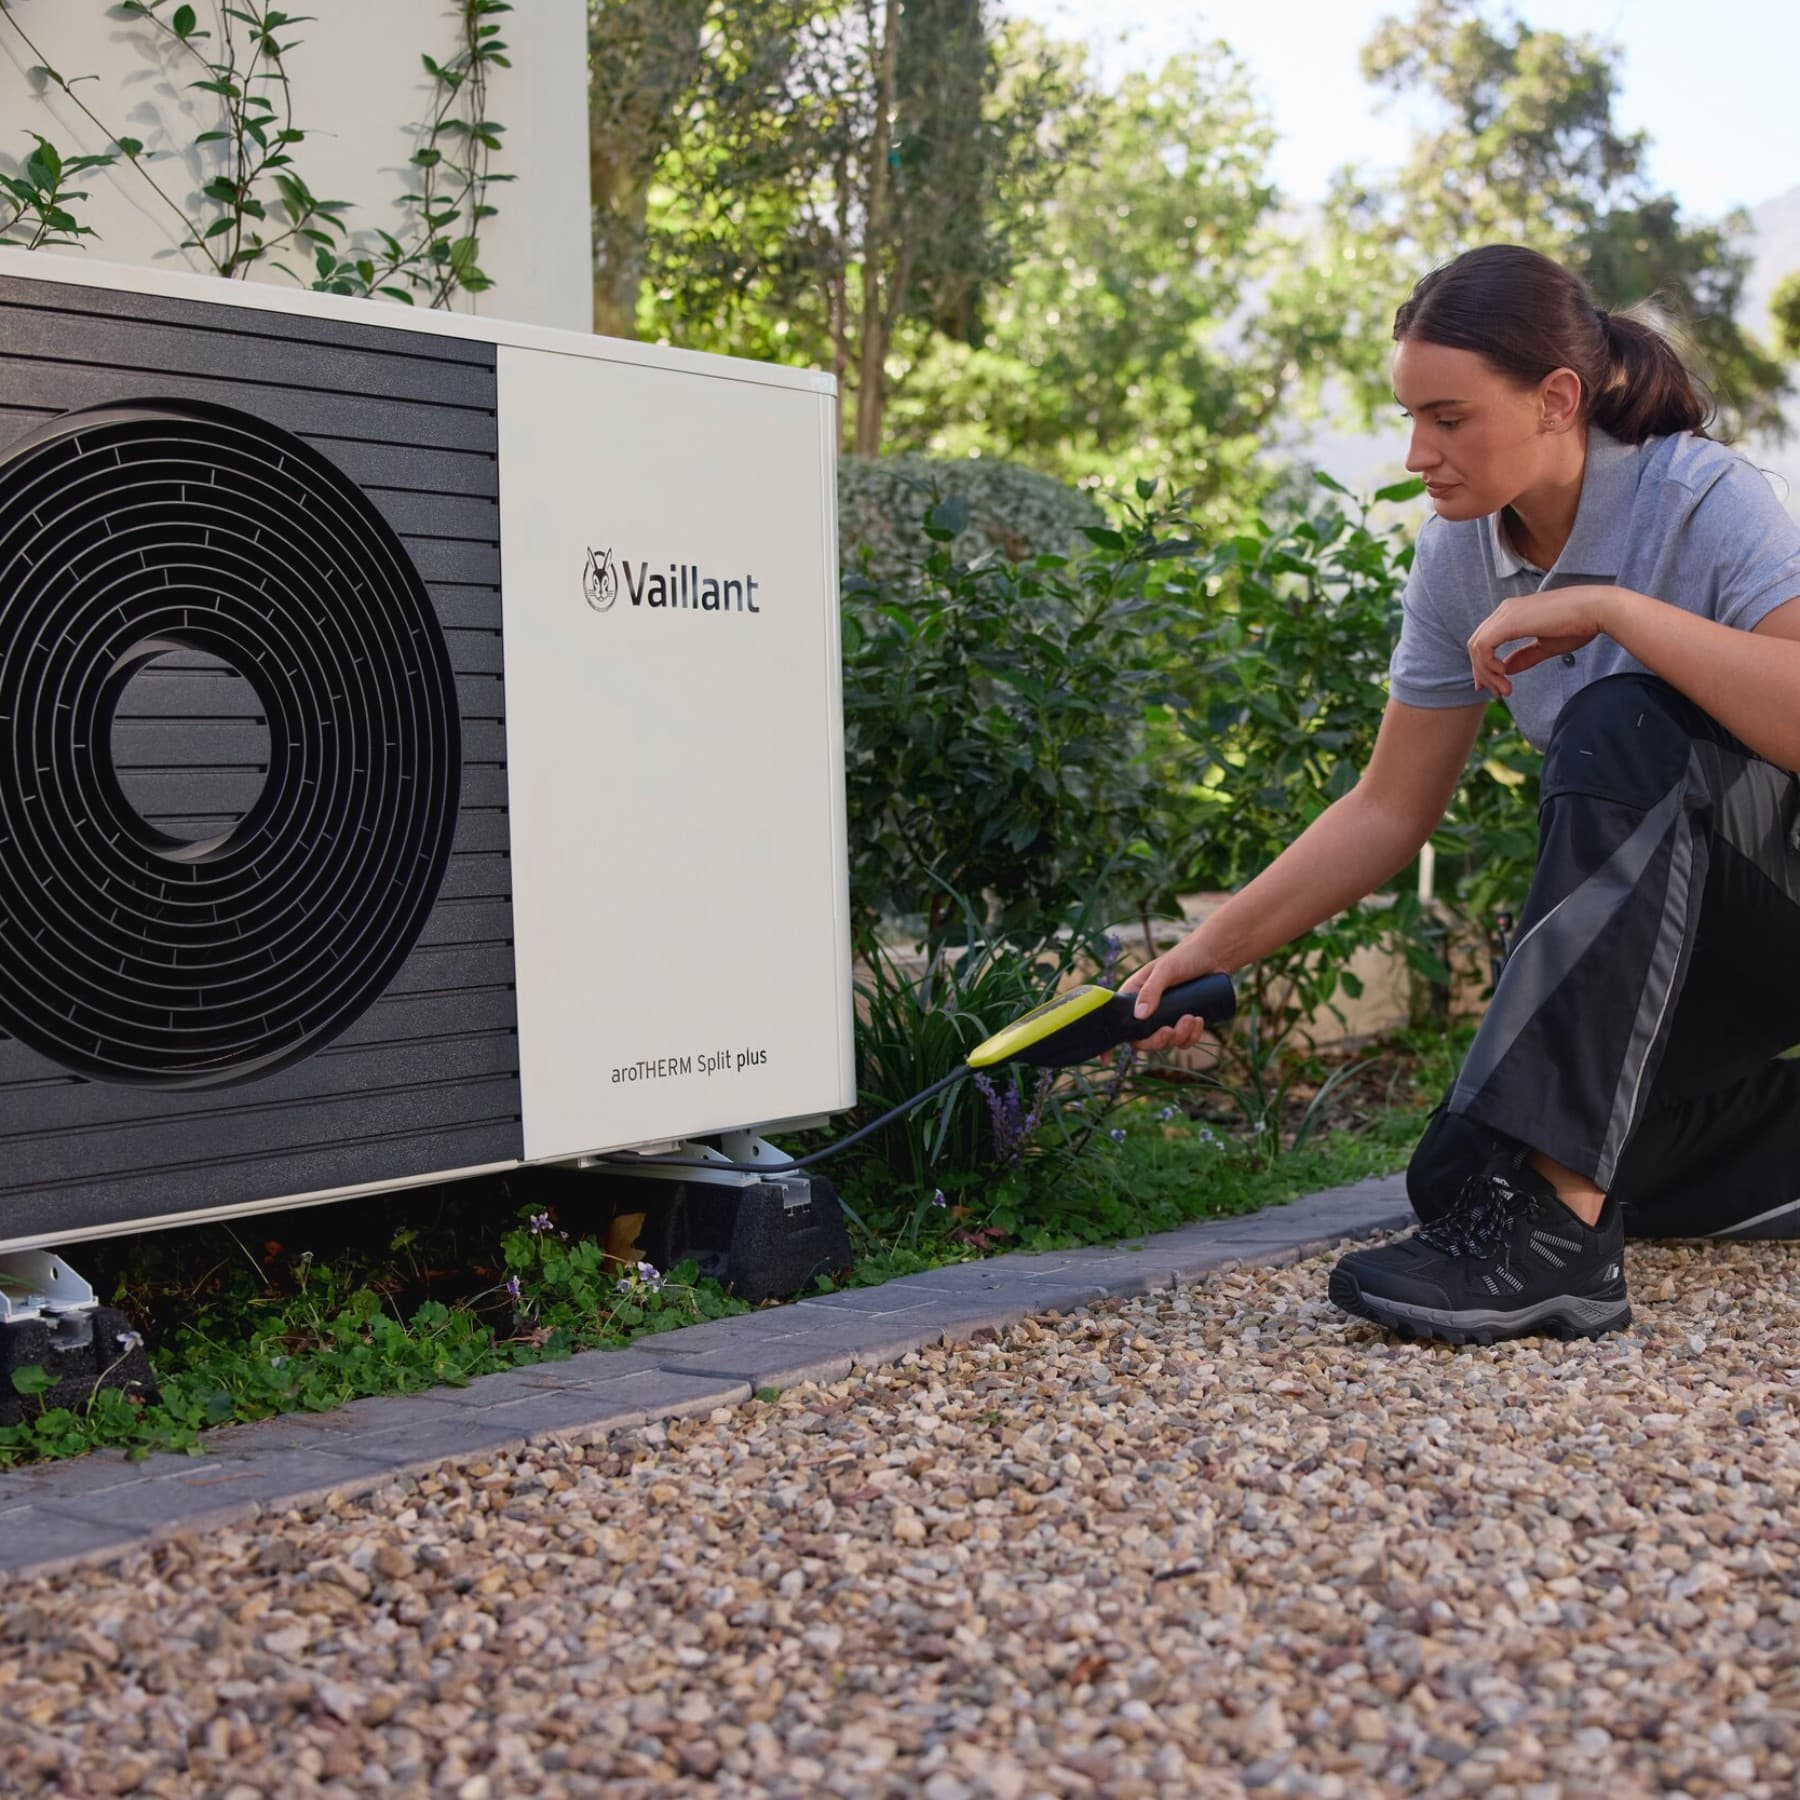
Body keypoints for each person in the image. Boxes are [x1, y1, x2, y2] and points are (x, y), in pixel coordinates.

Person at [1120, 242, 1800, 1345]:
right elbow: (1390, 808)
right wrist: (1211, 952)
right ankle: (1569, 1200)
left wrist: (1613, 615)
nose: (1418, 453)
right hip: (1680, 935)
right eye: (1409, 418)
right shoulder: (1459, 556)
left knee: (1623, 720)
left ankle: (1562, 1255)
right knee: (1462, 1171)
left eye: (1448, 417)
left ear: (1556, 399)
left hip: (1780, 899)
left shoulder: (1698, 497)